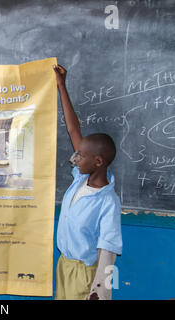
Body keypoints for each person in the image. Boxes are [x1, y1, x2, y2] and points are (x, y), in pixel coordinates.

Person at [53, 64, 122, 300]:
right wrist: (62, 85)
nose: (75, 158)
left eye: (81, 156)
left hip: (86, 276)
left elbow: (109, 249)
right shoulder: (80, 178)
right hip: (65, 267)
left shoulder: (108, 202)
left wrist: (100, 291)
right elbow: (73, 129)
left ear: (99, 161)